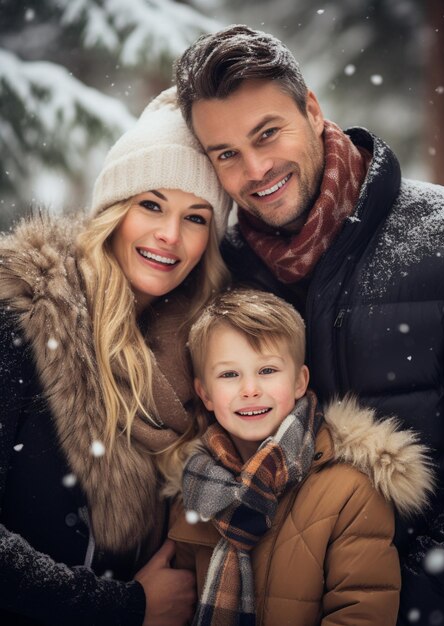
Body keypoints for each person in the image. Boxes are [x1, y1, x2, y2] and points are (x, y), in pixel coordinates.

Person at [174, 25, 444, 625]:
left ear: (312, 108)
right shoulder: (227, 274)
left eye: (267, 133)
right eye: (226, 154)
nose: (256, 169)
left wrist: (399, 609)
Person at [0, 86, 232, 625]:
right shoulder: (23, 318)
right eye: (151, 204)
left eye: (196, 217)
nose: (169, 235)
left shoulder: (202, 355)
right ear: (113, 211)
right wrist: (123, 607)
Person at [164, 288, 433, 626]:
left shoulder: (350, 492)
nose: (249, 389)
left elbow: (361, 612)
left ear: (299, 382)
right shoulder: (194, 490)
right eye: (229, 374)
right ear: (204, 392)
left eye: (267, 370)